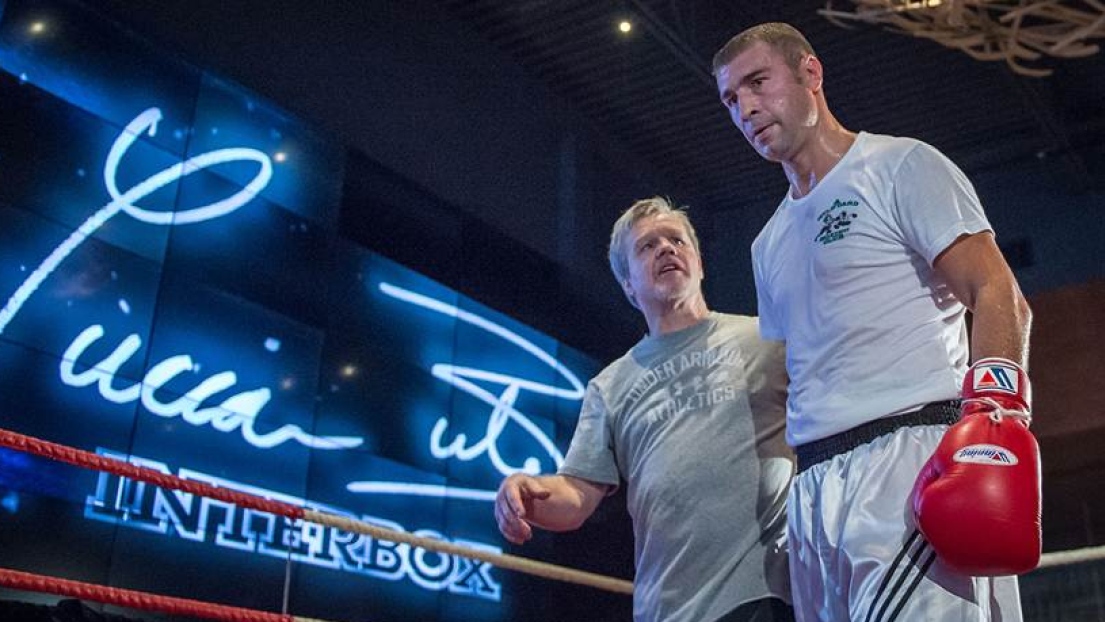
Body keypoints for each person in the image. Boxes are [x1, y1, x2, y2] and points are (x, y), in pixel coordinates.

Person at [712, 22, 1041, 622]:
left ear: (810, 73)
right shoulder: (767, 244)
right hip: (813, 491)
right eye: (731, 99)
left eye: (758, 82)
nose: (747, 108)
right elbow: (797, 378)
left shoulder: (900, 166)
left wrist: (995, 431)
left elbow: (997, 292)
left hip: (907, 463)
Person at [494, 197, 795, 622]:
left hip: (764, 596)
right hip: (665, 608)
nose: (667, 249)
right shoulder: (611, 384)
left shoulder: (767, 340)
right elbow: (576, 496)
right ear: (628, 286)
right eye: (648, 246)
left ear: (700, 263)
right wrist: (527, 492)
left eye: (676, 240)